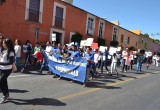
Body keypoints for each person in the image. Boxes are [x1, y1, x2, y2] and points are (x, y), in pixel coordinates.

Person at [0, 38, 15, 104]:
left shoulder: (11, 52)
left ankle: (4, 95)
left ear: (7, 44)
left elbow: (10, 62)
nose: (2, 44)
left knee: (1, 81)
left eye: (3, 43)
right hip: (1, 68)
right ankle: (7, 94)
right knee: (4, 81)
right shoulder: (4, 50)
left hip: (7, 69)